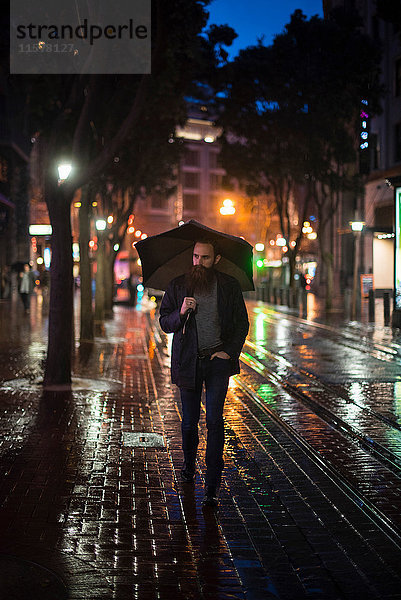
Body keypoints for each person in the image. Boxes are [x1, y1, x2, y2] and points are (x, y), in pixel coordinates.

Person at [159, 240, 249, 507]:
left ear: (217, 259)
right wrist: (181, 311)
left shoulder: (229, 286)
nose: (199, 262)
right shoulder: (178, 285)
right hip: (189, 362)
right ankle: (188, 466)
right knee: (189, 422)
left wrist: (229, 352)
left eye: (205, 258)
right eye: (196, 256)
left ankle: (212, 483)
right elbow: (165, 322)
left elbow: (242, 323)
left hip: (217, 363)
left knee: (214, 421)